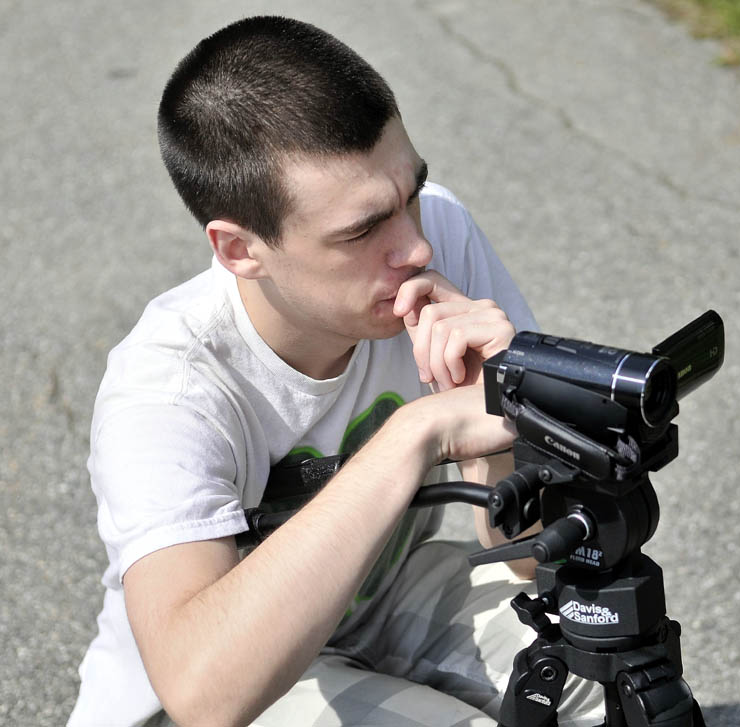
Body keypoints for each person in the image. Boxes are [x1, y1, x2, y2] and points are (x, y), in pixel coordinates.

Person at [68, 16, 604, 727]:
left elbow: (535, 560)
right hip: (205, 692)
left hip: (378, 605)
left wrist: (504, 419)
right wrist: (418, 430)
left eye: (412, 191)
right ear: (239, 250)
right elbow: (203, 691)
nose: (414, 246)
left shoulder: (436, 234)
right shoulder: (170, 388)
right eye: (361, 230)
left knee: (604, 674)